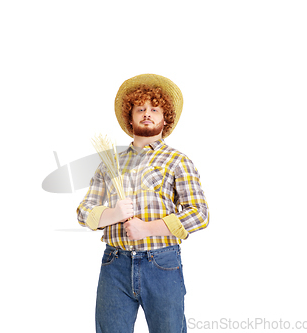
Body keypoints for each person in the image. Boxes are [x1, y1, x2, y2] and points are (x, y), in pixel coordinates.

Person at [77, 73, 209, 333]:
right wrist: (112, 214)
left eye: (154, 109)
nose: (147, 113)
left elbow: (199, 214)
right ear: (130, 116)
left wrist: (148, 229)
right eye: (140, 108)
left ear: (165, 118)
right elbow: (84, 212)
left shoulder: (178, 161)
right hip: (114, 265)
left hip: (162, 263)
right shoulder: (109, 163)